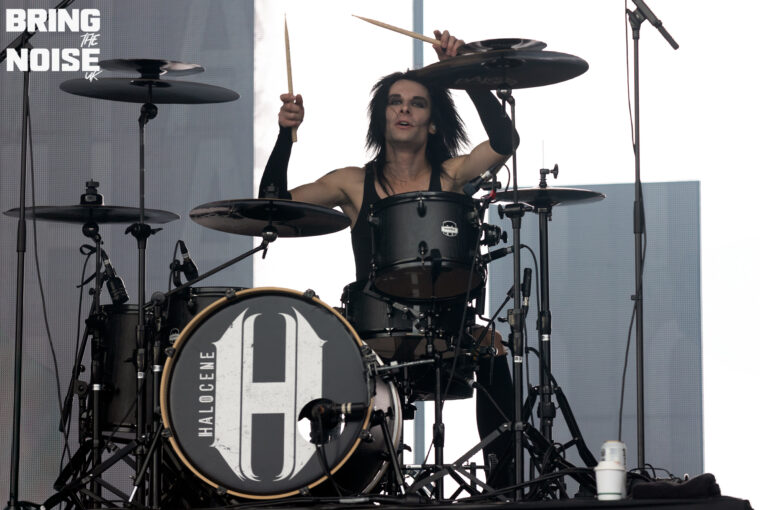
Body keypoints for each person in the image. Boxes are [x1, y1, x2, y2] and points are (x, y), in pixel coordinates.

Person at [259, 30, 517, 489]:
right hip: (371, 329)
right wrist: (285, 133)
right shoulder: (351, 182)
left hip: (446, 325)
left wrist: (464, 75)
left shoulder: (452, 175)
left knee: (494, 345)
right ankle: (332, 482)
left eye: (417, 104)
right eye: (395, 102)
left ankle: (505, 486)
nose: (404, 110)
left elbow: (504, 140)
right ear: (381, 119)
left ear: (432, 123)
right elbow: (272, 205)